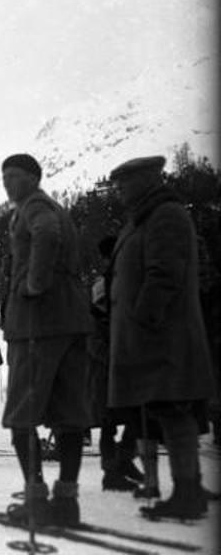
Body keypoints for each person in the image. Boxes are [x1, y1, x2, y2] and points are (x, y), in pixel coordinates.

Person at [106, 155, 216, 520]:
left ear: (147, 180)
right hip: (152, 337)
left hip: (162, 336)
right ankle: (188, 489)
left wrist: (142, 320)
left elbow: (164, 274)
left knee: (174, 411)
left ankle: (188, 493)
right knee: (167, 413)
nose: (118, 188)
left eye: (125, 181)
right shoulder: (143, 217)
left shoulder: (164, 215)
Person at [0, 153, 94, 526]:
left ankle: (36, 501)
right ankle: (67, 502)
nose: (8, 183)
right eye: (4, 177)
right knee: (69, 416)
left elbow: (47, 233)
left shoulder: (34, 206)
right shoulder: (55, 205)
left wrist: (33, 284)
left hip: (37, 325)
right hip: (71, 321)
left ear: (33, 178)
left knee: (22, 414)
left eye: (15, 176)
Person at [87, 235, 144, 492]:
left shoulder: (120, 278)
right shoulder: (103, 283)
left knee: (137, 417)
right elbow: (94, 334)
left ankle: (122, 460)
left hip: (121, 359)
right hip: (105, 366)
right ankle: (111, 471)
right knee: (110, 422)